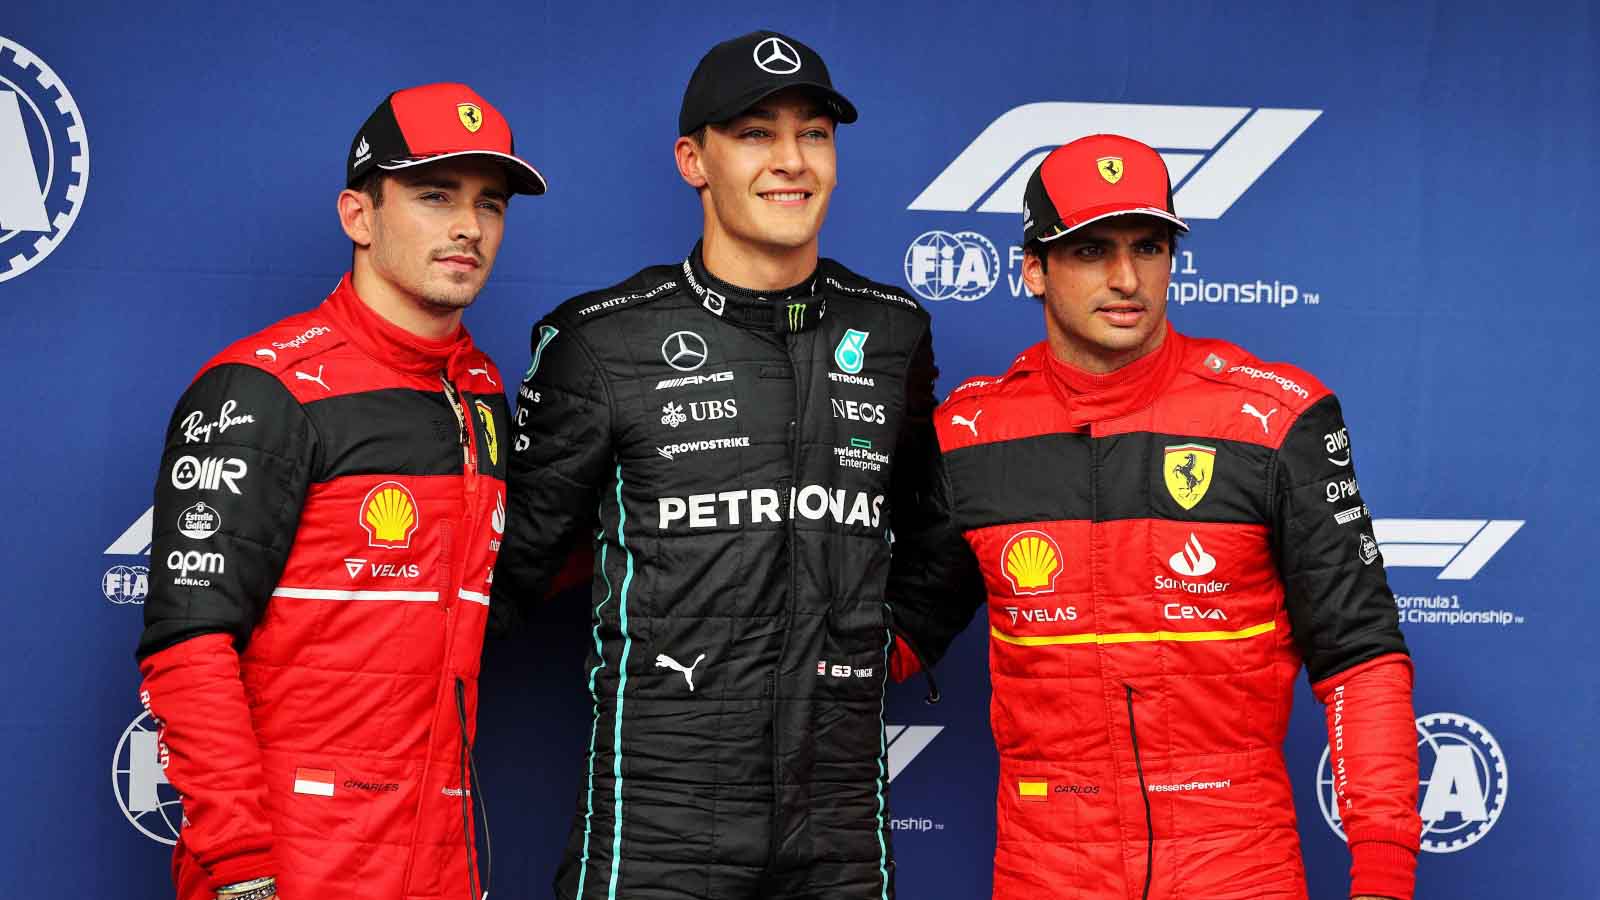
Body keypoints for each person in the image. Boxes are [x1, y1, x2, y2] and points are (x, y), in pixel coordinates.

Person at [492, 29, 961, 900]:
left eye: (813, 133)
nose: (792, 161)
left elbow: (938, 532)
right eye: (754, 133)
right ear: (692, 160)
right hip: (658, 830)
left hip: (839, 828)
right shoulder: (601, 340)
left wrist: (872, 651)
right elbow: (509, 568)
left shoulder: (893, 329)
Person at [894, 134, 1421, 900]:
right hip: (1048, 870)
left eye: (1149, 246)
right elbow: (898, 634)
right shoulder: (970, 436)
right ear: (1034, 268)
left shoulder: (1277, 419)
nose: (1126, 277)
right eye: (1089, 250)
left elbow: (1361, 660)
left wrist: (1382, 874)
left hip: (1238, 866)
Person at [135, 82, 545, 900]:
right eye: (435, 196)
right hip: (294, 859)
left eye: (488, 204)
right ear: (359, 216)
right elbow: (188, 647)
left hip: (439, 853)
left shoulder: (479, 390)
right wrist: (240, 864)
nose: (469, 226)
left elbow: (498, 583)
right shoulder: (260, 390)